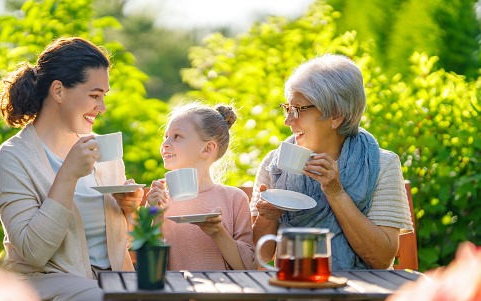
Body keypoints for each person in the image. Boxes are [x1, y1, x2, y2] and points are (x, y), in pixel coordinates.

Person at [0, 37, 143, 300]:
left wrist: (130, 213)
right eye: (94, 95)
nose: (102, 108)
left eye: (103, 96)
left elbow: (119, 246)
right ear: (58, 91)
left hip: (108, 279)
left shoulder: (103, 152)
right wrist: (68, 175)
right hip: (43, 282)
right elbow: (34, 253)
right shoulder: (12, 158)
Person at [250, 54, 414, 270]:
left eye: (298, 109)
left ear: (336, 116)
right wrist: (266, 217)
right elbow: (257, 257)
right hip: (295, 285)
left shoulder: (381, 164)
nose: (288, 120)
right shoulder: (275, 163)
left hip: (363, 291)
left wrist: (336, 193)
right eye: (287, 108)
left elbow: (382, 260)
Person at [146, 103, 257, 270]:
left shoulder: (234, 199)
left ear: (207, 148)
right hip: (175, 293)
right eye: (165, 136)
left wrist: (218, 232)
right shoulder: (159, 201)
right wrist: (153, 216)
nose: (165, 144)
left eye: (177, 136)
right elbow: (150, 268)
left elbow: (248, 267)